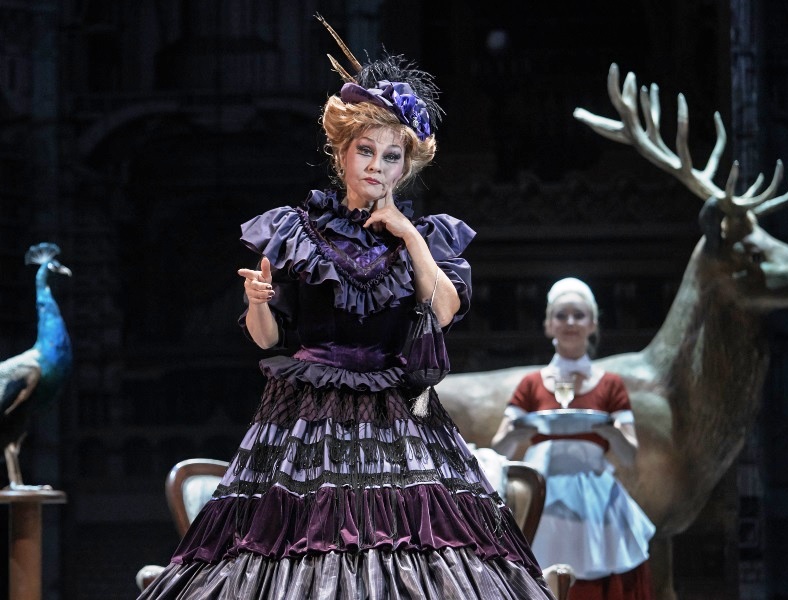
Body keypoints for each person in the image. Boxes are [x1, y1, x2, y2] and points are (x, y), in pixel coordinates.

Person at [138, 16, 554, 600]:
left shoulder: (426, 238)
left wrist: (407, 235)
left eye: (392, 156)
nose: (378, 166)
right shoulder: (297, 232)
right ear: (342, 153)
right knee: (295, 551)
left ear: (406, 166)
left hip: (398, 415)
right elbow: (268, 340)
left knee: (420, 548)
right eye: (366, 151)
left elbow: (442, 311)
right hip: (308, 415)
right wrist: (257, 302)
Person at [491, 277, 656, 600]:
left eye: (579, 315)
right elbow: (500, 447)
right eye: (561, 315)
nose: (570, 322)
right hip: (541, 494)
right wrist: (518, 433)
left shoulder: (610, 384)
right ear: (548, 325)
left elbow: (629, 455)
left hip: (595, 499)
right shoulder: (531, 384)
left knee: (602, 577)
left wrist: (609, 431)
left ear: (592, 324)